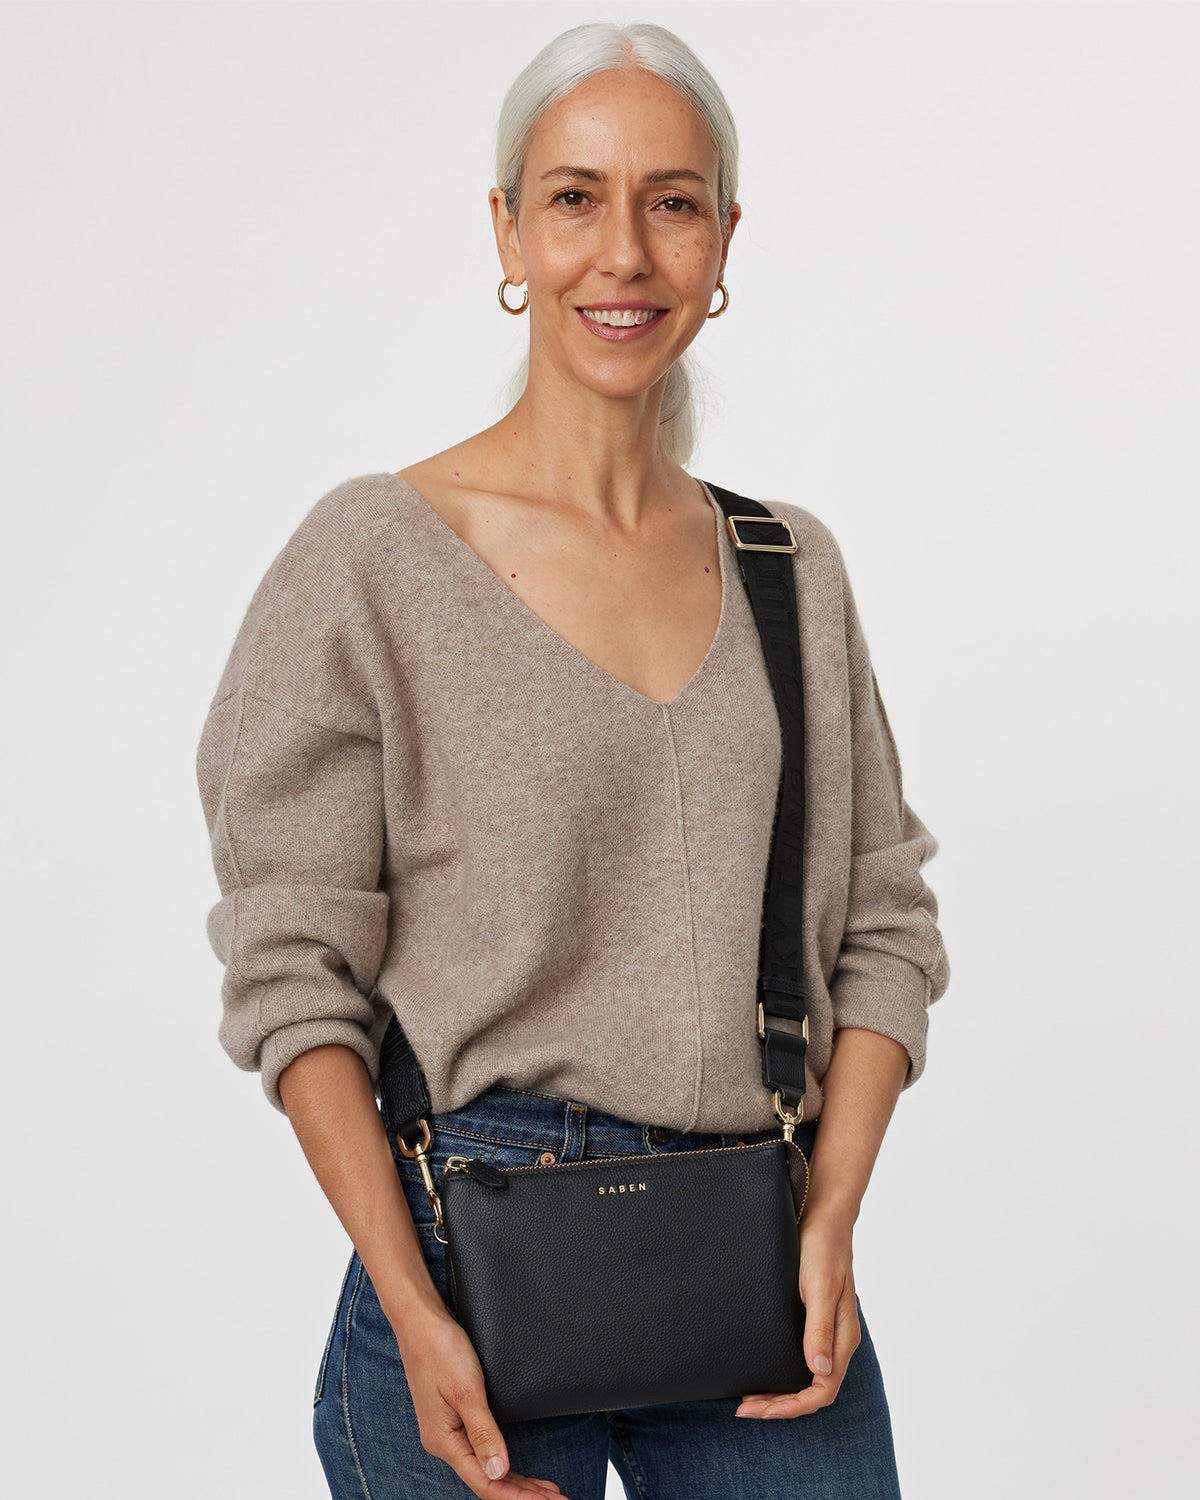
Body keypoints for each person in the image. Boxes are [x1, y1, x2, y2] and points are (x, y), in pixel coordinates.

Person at [195, 20, 950, 1500]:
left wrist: (830, 1217)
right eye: (574, 198)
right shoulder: (369, 560)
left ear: (724, 241)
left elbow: (883, 925)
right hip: (463, 1264)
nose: (625, 254)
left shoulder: (789, 568)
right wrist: (410, 1306)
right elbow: (293, 976)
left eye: (672, 203)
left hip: (754, 1259)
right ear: (509, 231)